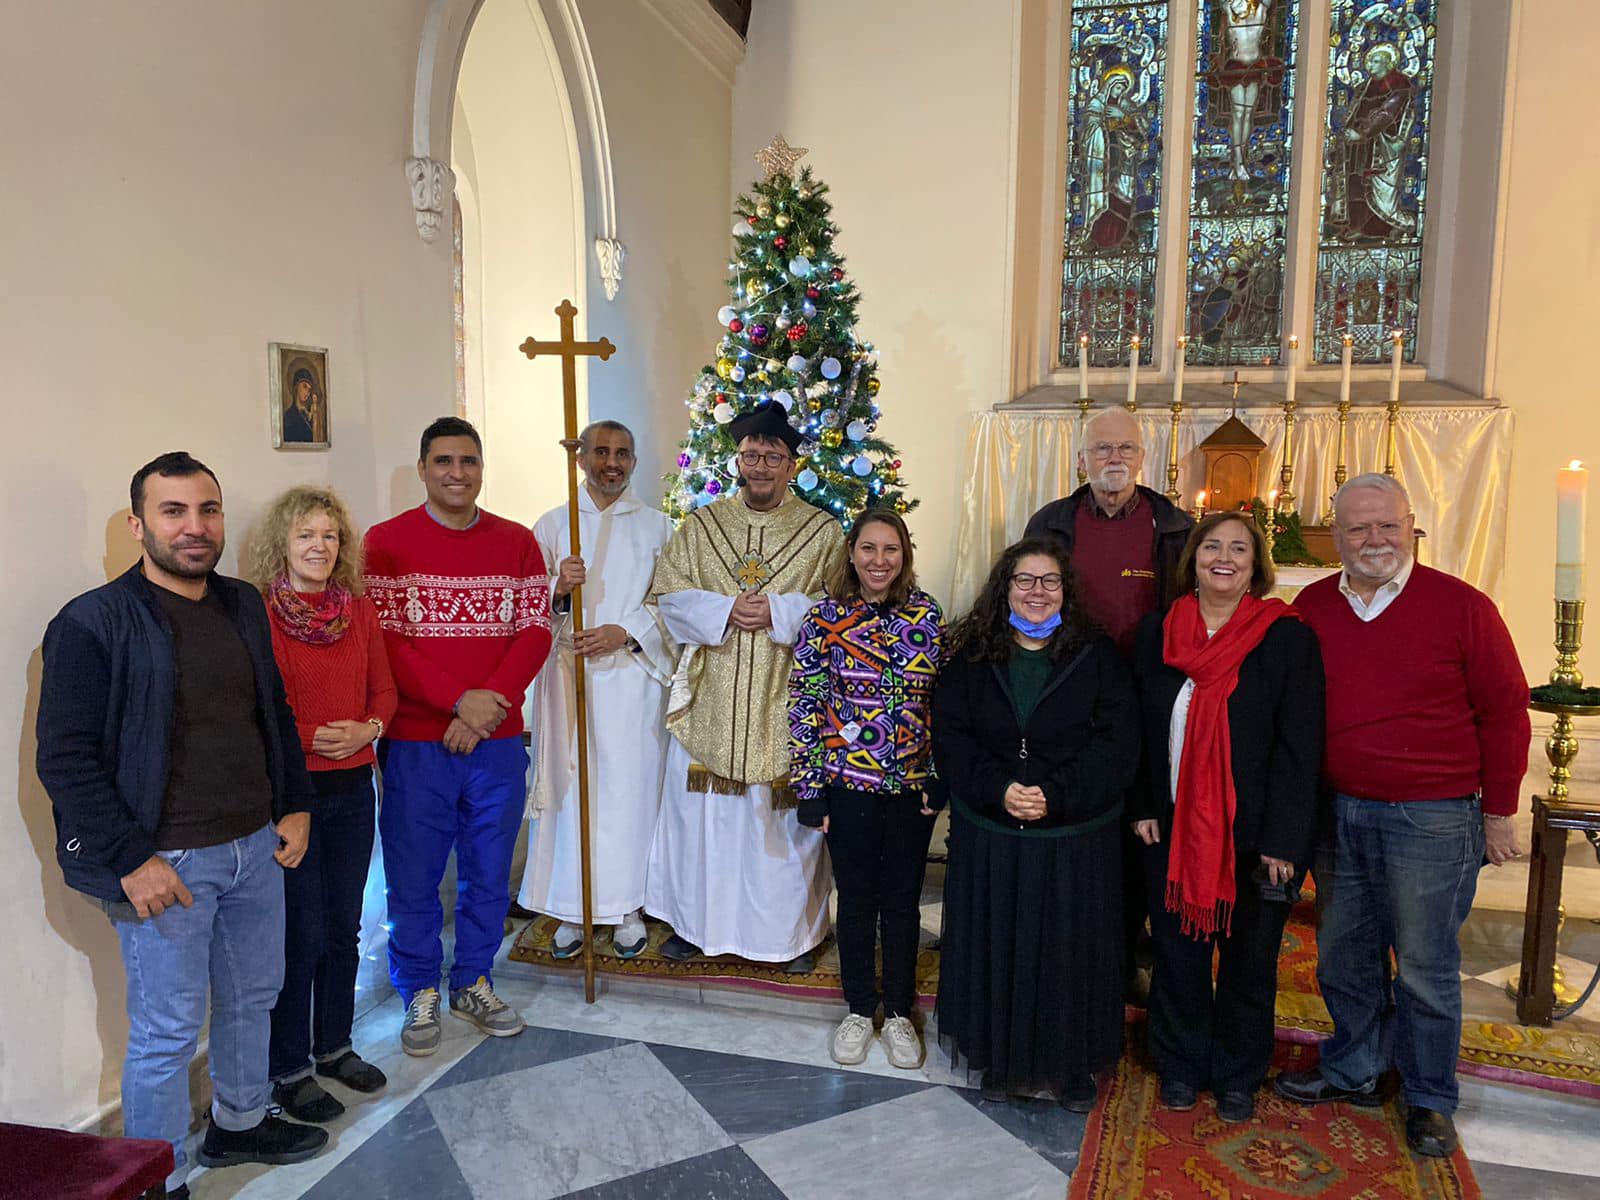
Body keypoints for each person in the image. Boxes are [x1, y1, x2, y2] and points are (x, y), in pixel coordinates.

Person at [36, 452, 327, 1199]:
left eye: (207, 510)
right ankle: (152, 1177)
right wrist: (133, 858)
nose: (194, 528)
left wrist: (291, 803)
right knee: (166, 1033)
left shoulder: (240, 604)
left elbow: (275, 714)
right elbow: (64, 759)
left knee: (252, 997)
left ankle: (238, 1122)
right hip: (168, 863)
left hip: (255, 849)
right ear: (139, 525)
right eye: (174, 512)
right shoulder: (91, 622)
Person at [1275, 474, 1530, 1158]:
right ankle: (1356, 1071)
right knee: (1344, 954)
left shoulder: (1462, 606)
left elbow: (1505, 712)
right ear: (1336, 536)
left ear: (1411, 525)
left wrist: (1500, 811)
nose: (1373, 540)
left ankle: (1429, 1098)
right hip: (1338, 812)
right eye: (1357, 528)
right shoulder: (1313, 606)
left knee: (1423, 965)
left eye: (1387, 526)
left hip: (1434, 816)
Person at [364, 416, 553, 1056]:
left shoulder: (517, 542)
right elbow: (386, 641)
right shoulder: (384, 543)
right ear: (422, 469)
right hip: (418, 739)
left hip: (497, 740)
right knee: (414, 875)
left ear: (481, 468)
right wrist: (455, 701)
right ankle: (418, 987)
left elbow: (535, 631)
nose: (457, 473)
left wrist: (484, 709)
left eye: (468, 461)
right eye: (443, 461)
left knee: (489, 871)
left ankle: (473, 977)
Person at [932, 537, 1138, 1111]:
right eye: (1025, 580)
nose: (1037, 592)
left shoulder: (1097, 656)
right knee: (997, 949)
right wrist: (1000, 790)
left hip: (1073, 838)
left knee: (1068, 954)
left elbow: (1117, 746)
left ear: (1066, 590)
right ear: (1006, 588)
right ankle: (999, 1060)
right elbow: (952, 739)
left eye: (1049, 581)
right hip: (992, 834)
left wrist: (1055, 795)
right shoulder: (971, 656)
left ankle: (1071, 1067)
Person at [1132, 512, 1324, 1122]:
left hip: (1257, 837)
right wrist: (1141, 805)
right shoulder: (1157, 631)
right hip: (1170, 826)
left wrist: (1285, 840)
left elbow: (1301, 747)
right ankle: (1181, 1065)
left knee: (1250, 962)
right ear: (1193, 558)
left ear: (1256, 564)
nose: (1224, 557)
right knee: (1178, 954)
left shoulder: (1286, 636)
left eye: (1239, 548)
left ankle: (1239, 1073)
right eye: (1212, 545)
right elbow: (1134, 728)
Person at [645, 400, 844, 970]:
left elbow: (839, 608)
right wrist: (726, 608)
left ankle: (786, 939)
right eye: (750, 454)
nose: (759, 466)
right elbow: (667, 596)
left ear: (792, 465)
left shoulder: (822, 531)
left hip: (784, 696)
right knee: (702, 824)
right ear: (737, 459)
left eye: (772, 456)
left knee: (774, 829)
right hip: (711, 690)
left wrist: (780, 612)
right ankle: (694, 924)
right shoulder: (702, 525)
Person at [1024, 407, 1193, 1002]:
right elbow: (1028, 595)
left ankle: (1132, 954)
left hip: (1153, 698)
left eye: (1125, 448)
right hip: (1071, 693)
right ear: (1081, 460)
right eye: (1101, 449)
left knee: (1142, 830)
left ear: (1142, 457)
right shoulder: (1051, 521)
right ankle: (1076, 952)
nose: (1114, 459)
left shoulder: (1176, 527)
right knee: (1079, 819)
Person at [247, 485, 396, 1123]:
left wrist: (370, 730)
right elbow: (258, 711)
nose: (320, 546)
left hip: (354, 789)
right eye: (306, 534)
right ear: (283, 543)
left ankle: (334, 1046)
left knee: (344, 927)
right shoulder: (258, 615)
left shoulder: (358, 612)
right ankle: (288, 1069)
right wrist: (314, 739)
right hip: (293, 794)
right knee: (298, 936)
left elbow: (383, 691)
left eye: (330, 535)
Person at [789, 509, 945, 1069]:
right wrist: (810, 788)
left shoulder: (927, 615)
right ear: (851, 552)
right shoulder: (823, 620)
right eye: (869, 549)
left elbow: (942, 703)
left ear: (905, 555)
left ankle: (899, 1012)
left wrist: (938, 776)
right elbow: (804, 705)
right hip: (846, 785)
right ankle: (859, 1008)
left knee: (902, 902)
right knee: (855, 901)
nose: (880, 561)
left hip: (910, 788)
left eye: (892, 550)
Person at [518, 419, 674, 960]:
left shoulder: (659, 529)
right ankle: (570, 906)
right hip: (568, 678)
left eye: (623, 453)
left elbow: (669, 602)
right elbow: (524, 603)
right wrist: (558, 590)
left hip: (632, 682)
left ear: (634, 460)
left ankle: (626, 906)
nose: (613, 462)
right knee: (572, 792)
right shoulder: (553, 525)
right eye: (602, 452)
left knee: (628, 793)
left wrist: (624, 631)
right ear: (580, 458)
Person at [283, 369, 317, 444]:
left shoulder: (310, 415)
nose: (307, 392)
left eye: (309, 389)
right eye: (304, 386)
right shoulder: (288, 416)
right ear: (296, 387)